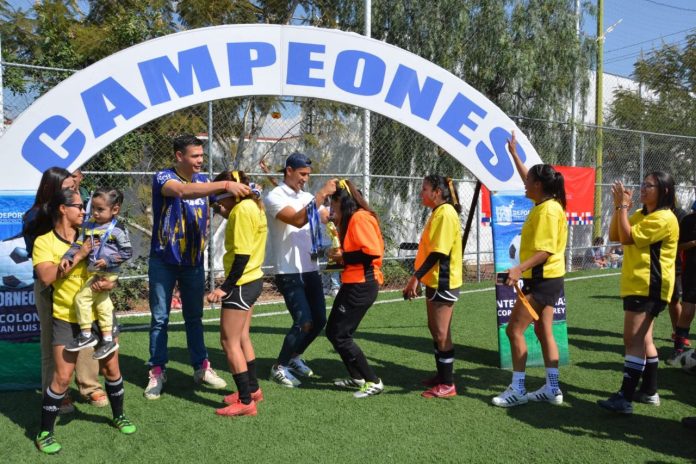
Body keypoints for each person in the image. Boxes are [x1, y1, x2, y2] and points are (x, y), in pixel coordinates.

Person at [145, 134, 250, 400]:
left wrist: (246, 200)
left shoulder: (205, 182)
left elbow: (223, 208)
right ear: (179, 156)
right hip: (163, 261)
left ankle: (201, 367)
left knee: (195, 318)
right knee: (160, 318)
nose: (200, 161)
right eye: (195, 156)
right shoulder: (164, 177)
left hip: (193, 263)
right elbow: (180, 191)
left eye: (202, 156)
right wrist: (223, 184)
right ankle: (157, 370)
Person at [33, 188, 136, 454]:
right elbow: (45, 277)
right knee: (62, 377)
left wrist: (109, 282)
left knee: (111, 369)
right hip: (66, 317)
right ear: (62, 209)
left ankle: (119, 415)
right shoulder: (45, 241)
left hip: (99, 314)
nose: (85, 211)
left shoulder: (95, 231)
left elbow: (118, 258)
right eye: (79, 206)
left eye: (88, 207)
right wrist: (78, 255)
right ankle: (45, 431)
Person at [492, 132, 568, 408]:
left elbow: (545, 251)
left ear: (538, 185)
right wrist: (514, 155)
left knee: (514, 330)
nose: (523, 184)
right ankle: (552, 387)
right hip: (550, 279)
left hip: (542, 280)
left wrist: (518, 269)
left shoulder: (547, 211)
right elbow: (530, 177)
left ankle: (518, 389)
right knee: (543, 330)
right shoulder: (547, 202)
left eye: (527, 182)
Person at [21, 167, 106, 413]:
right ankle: (58, 391)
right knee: (52, 342)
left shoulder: (78, 211)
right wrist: (74, 256)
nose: (74, 191)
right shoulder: (35, 217)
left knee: (86, 333)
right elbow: (43, 262)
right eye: (68, 187)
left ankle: (90, 385)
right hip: (50, 286)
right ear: (54, 191)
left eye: (74, 185)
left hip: (79, 285)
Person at [597, 172, 678, 415]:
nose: (642, 188)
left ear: (663, 190)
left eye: (649, 185)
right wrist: (618, 207)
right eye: (642, 184)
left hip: (648, 285)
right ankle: (650, 391)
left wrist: (623, 206)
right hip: (638, 284)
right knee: (644, 340)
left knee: (632, 340)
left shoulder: (664, 217)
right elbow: (615, 235)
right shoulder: (643, 215)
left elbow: (629, 238)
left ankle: (625, 397)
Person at [264, 152, 336, 387]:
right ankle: (279, 366)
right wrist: (322, 194)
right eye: (302, 174)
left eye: (308, 175)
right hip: (288, 270)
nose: (305, 178)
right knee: (303, 321)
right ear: (289, 171)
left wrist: (346, 200)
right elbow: (296, 220)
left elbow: (329, 216)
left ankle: (295, 357)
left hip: (310, 267)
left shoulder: (306, 196)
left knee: (318, 321)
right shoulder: (274, 196)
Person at [207, 171, 267, 417]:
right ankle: (253, 390)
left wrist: (225, 287)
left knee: (228, 341)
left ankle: (245, 402)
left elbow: (241, 255)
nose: (219, 204)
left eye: (221, 197)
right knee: (242, 337)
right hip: (253, 279)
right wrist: (217, 205)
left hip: (241, 282)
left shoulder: (242, 211)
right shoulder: (252, 205)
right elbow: (232, 217)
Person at [403, 175, 463, 398]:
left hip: (444, 281)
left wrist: (415, 277)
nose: (422, 193)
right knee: (435, 329)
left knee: (441, 332)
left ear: (437, 192)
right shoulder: (438, 212)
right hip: (435, 280)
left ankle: (448, 384)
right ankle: (441, 376)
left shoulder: (446, 213)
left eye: (425, 189)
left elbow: (439, 252)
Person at [326, 179, 385, 398]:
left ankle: (373, 380)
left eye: (333, 203)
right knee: (334, 332)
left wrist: (344, 256)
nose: (331, 208)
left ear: (341, 200)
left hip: (362, 284)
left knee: (341, 335)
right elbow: (355, 254)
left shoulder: (360, 218)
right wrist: (340, 257)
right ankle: (357, 378)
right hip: (353, 281)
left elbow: (371, 253)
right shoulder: (351, 219)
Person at [60, 188, 132, 360]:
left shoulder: (118, 230)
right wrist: (67, 257)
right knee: (102, 304)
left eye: (100, 209)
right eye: (94, 208)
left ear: (115, 210)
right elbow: (78, 244)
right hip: (94, 271)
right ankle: (108, 339)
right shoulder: (89, 226)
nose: (95, 213)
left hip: (108, 272)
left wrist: (108, 261)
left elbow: (127, 252)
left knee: (82, 298)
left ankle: (86, 334)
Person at [666, 201, 696, 364]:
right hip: (692, 272)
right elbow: (678, 246)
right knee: (687, 311)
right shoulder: (688, 221)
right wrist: (693, 243)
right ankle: (677, 351)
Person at [667, 205, 688, 344]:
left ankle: (679, 334)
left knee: (675, 299)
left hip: (676, 264)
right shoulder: (648, 211)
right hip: (654, 264)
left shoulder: (680, 214)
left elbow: (681, 242)